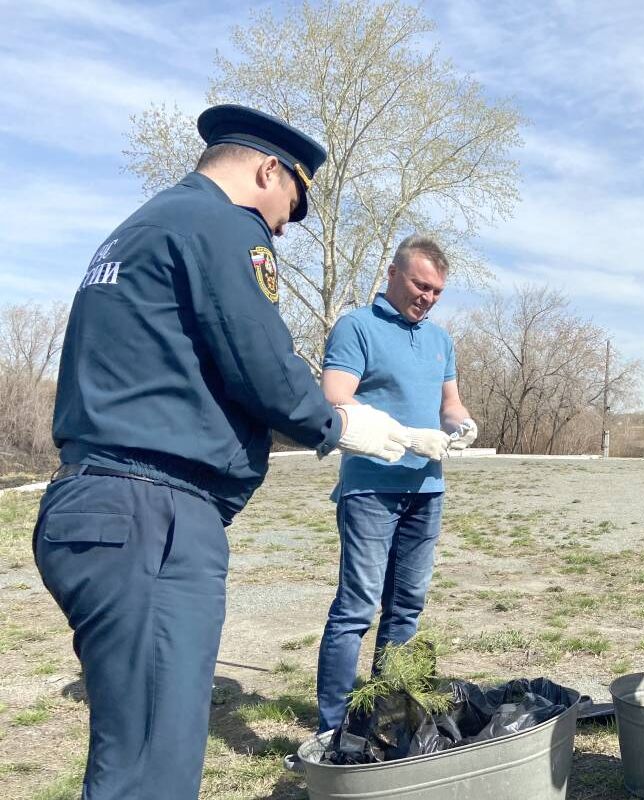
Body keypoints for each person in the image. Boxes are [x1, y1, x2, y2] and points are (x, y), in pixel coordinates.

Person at [33, 104, 442, 800]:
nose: (282, 226)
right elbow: (259, 357)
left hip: (98, 503)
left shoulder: (143, 226)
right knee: (152, 768)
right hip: (152, 510)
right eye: (289, 206)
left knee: (132, 746)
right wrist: (338, 424)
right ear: (267, 169)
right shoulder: (225, 226)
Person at [315, 234, 477, 733]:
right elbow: (335, 397)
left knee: (406, 608)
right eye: (419, 284)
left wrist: (461, 425)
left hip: (427, 491)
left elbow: (449, 404)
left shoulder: (439, 340)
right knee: (358, 607)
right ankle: (334, 725)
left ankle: (386, 715)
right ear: (392, 273)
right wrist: (405, 435)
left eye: (436, 291)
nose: (426, 297)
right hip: (370, 489)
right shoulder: (356, 326)